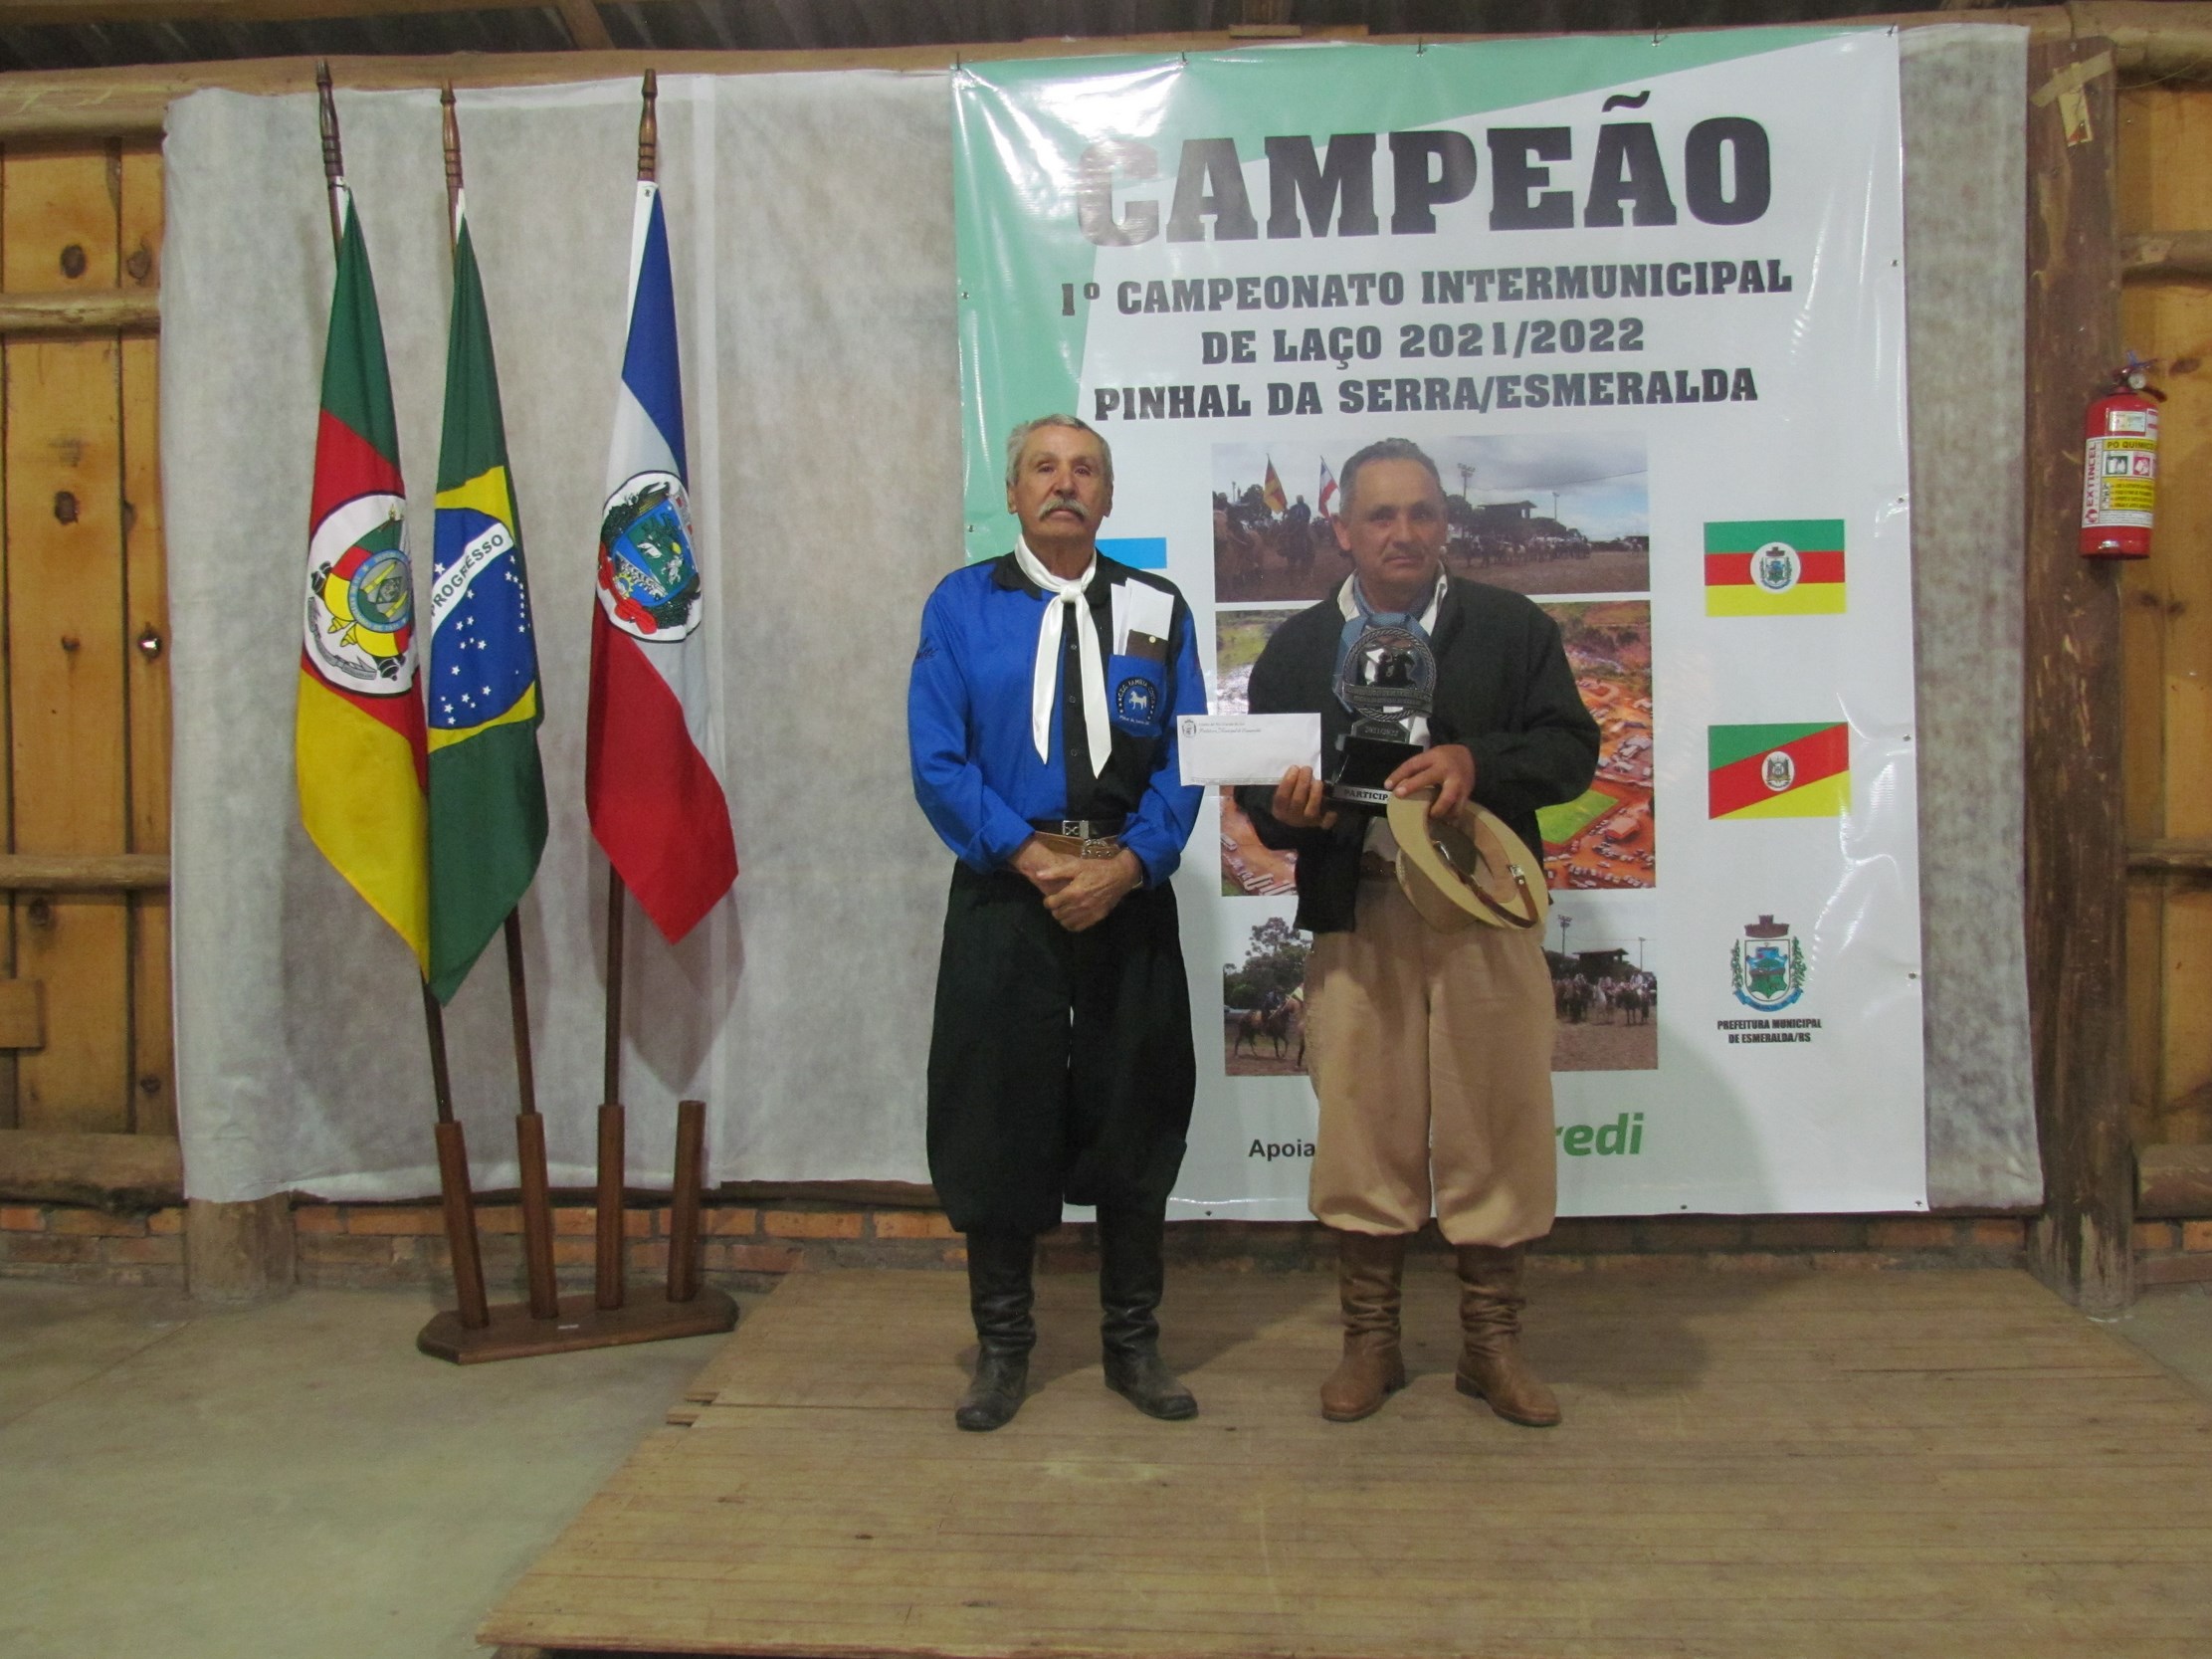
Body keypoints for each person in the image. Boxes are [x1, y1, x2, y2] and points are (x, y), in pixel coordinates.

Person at [1235, 438, 1599, 1427]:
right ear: (1343, 530)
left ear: (1446, 523)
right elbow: (1259, 794)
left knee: (1497, 1122)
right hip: (1360, 915)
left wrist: (1478, 760)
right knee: (1362, 1127)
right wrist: (1288, 812)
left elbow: (1571, 752)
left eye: (1422, 512)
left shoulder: (1512, 627)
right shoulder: (1297, 649)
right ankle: (1371, 1341)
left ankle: (1491, 1346)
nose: (1403, 532)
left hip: (1483, 914)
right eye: (1381, 515)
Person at [908, 413, 1207, 1433]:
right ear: (1014, 492)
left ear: (1108, 496)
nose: (1064, 484)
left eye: (1085, 470)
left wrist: (1126, 868)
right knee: (996, 1113)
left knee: (1136, 1109)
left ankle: (1134, 1345)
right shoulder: (961, 605)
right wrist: (1034, 860)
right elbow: (937, 759)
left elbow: (1185, 755)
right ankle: (1003, 1350)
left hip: (1127, 891)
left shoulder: (1157, 608)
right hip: (1007, 890)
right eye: (1044, 467)